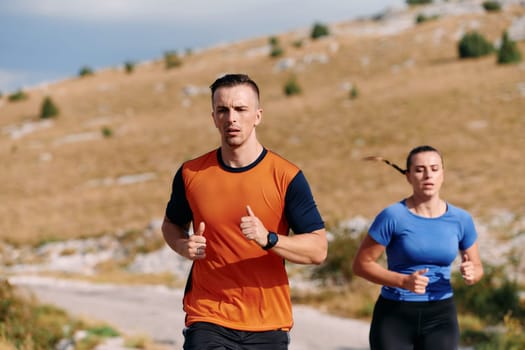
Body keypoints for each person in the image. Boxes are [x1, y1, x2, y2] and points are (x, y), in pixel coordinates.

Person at [161, 73, 327, 350]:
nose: (231, 118)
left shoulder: (286, 176)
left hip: (267, 321)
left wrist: (268, 239)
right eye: (222, 110)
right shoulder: (191, 173)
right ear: (213, 117)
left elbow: (318, 249)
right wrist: (182, 245)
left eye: (240, 109)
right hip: (208, 316)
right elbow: (171, 224)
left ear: (258, 115)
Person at [352, 145, 483, 350]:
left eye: (434, 168)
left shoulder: (461, 219)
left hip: (441, 317)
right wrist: (403, 281)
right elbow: (361, 264)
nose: (428, 175)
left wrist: (472, 273)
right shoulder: (392, 216)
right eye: (420, 169)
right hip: (395, 316)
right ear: (408, 176)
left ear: (443, 174)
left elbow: (477, 267)